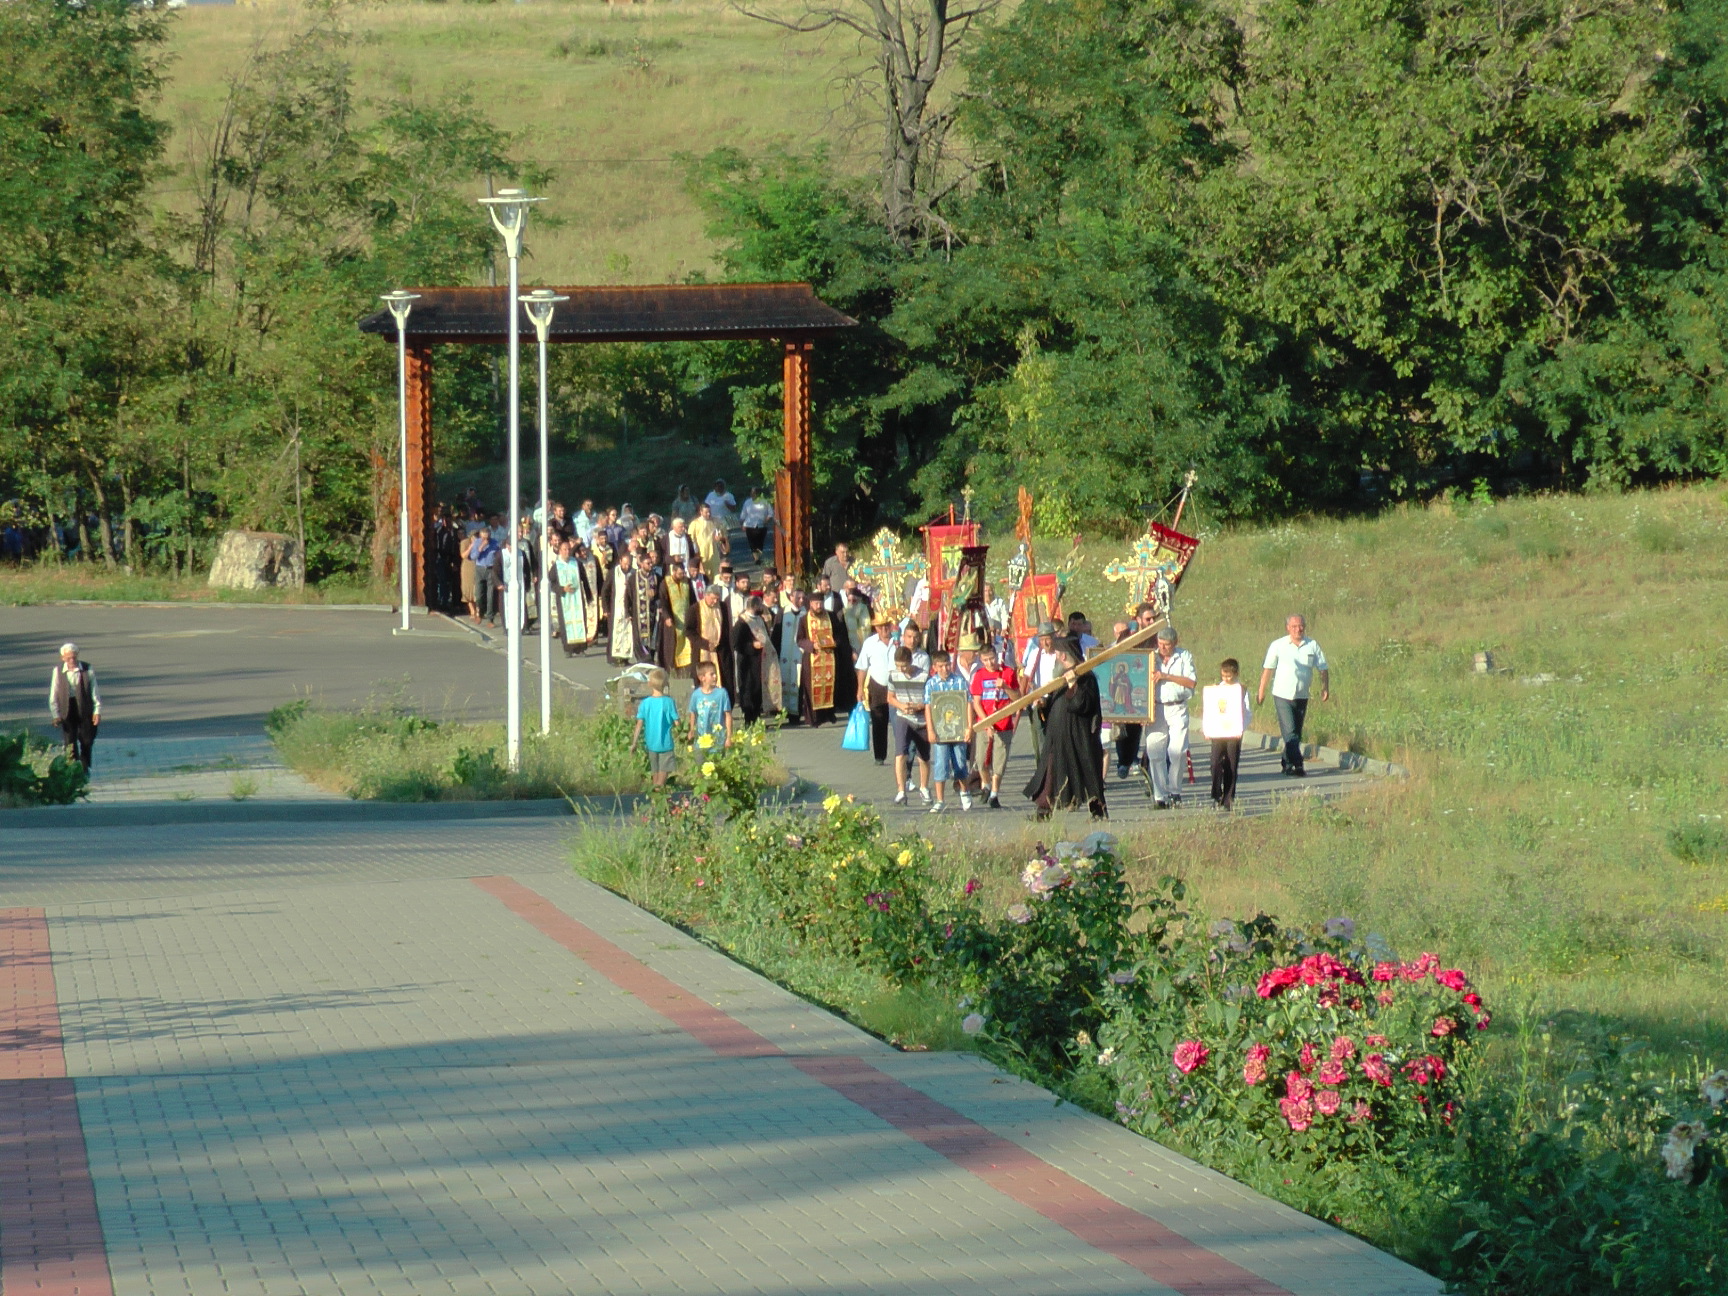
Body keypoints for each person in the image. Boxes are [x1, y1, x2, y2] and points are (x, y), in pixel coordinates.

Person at [1023, 638, 1106, 820]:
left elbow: (1082, 705)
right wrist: (1044, 704)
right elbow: (1056, 702)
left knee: (1088, 771)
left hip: (1079, 734)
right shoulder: (1060, 675)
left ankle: (1097, 812)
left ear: (1062, 656)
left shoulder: (1086, 677)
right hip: (1058, 734)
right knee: (1049, 770)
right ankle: (1043, 812)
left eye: (1057, 655)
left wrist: (1073, 684)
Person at [1258, 614, 1329, 777]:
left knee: (1295, 733)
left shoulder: (1312, 645)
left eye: (1301, 626)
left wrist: (1325, 687)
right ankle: (1297, 764)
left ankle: (1286, 762)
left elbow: (1323, 668)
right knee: (1289, 731)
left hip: (1301, 695)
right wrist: (1261, 691)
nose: (1298, 629)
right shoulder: (1278, 645)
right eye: (1294, 626)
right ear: (1288, 628)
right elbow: (1268, 669)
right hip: (1282, 695)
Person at [1145, 625, 1197, 809]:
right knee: (1155, 751)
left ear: (1175, 643)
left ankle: (1175, 791)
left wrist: (1165, 676)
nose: (1162, 648)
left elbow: (1191, 682)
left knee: (1178, 751)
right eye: (1160, 643)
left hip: (1177, 706)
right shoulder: (1150, 657)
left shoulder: (1184, 656)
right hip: (1156, 708)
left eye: (1167, 644)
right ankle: (1160, 795)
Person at [1113, 602, 1161, 777]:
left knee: (1148, 730)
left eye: (1154, 618)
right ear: (1139, 620)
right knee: (1126, 725)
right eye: (1148, 619)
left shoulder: (1158, 636)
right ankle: (1124, 761)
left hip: (1150, 685)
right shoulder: (1128, 635)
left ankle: (1145, 764)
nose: (1152, 622)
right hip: (1127, 685)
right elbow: (1118, 656)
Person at [969, 642, 1019, 810]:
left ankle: (994, 794)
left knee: (999, 762)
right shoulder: (979, 675)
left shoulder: (1007, 672)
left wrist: (1005, 686)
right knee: (981, 761)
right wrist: (987, 723)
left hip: (1004, 725)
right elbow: (976, 703)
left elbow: (1017, 698)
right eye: (985, 660)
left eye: (992, 658)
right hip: (985, 723)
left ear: (996, 656)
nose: (990, 663)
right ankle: (986, 784)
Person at [796, 585, 855, 727]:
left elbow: (840, 634)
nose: (819, 606)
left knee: (830, 686)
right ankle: (814, 718)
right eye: (816, 603)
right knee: (812, 688)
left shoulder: (831, 616)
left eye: (821, 603)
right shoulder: (804, 619)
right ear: (811, 604)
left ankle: (829, 714)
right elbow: (800, 640)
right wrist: (812, 645)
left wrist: (835, 642)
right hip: (812, 658)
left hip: (830, 658)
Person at [922, 650, 973, 813]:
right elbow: (928, 707)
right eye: (941, 666)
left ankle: (965, 792)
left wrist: (969, 727)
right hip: (940, 732)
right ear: (934, 667)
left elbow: (968, 703)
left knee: (960, 762)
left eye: (947, 665)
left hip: (958, 730)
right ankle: (940, 800)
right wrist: (930, 730)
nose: (944, 669)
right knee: (941, 764)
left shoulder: (959, 681)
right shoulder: (931, 684)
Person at [1203, 658, 1250, 811]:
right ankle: (1216, 794)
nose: (1226, 679)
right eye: (1224, 675)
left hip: (1233, 733)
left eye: (1229, 676)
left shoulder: (1241, 690)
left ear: (1236, 674)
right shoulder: (1217, 690)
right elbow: (1210, 710)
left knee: (1231, 764)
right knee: (1215, 763)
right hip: (1218, 732)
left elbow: (1247, 712)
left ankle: (1228, 798)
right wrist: (1207, 729)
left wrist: (1240, 728)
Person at [888, 646, 931, 806]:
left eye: (904, 666)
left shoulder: (924, 676)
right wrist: (901, 706)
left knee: (924, 757)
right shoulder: (893, 675)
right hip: (903, 717)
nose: (901, 669)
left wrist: (918, 706)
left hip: (921, 720)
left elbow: (930, 699)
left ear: (911, 662)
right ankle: (901, 791)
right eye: (898, 666)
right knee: (900, 754)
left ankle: (924, 788)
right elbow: (890, 697)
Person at [854, 615, 898, 767]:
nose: (884, 629)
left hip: (896, 687)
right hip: (877, 686)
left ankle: (902, 754)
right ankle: (880, 755)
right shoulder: (870, 643)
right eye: (880, 626)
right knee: (879, 721)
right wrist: (860, 689)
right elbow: (862, 667)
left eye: (886, 625)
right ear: (876, 628)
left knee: (899, 722)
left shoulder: (898, 641)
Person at [731, 597, 783, 725]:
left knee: (758, 690)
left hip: (761, 662)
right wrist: (752, 645)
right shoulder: (742, 622)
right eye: (760, 606)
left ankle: (756, 717)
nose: (762, 608)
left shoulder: (759, 619)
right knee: (748, 690)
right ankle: (749, 720)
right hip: (748, 663)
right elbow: (736, 643)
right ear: (754, 606)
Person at [49, 642, 100, 769]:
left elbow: (94, 691)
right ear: (63, 658)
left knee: (87, 740)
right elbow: (54, 693)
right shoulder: (58, 671)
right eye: (68, 658)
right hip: (67, 708)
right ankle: (73, 767)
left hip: (85, 707)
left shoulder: (87, 669)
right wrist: (56, 714)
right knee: (69, 742)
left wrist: (97, 711)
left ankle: (85, 766)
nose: (72, 660)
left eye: (74, 657)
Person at [632, 667, 680, 789]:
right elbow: (677, 723)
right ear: (666, 683)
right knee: (662, 777)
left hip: (651, 744)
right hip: (666, 744)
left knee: (655, 773)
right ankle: (658, 793)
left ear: (649, 684)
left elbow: (639, 724)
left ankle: (654, 795)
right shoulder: (669, 702)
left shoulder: (645, 703)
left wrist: (634, 743)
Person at [686, 582, 734, 696]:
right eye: (713, 599)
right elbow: (689, 631)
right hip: (702, 651)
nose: (715, 601)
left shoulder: (723, 607)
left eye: (717, 599)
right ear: (706, 596)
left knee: (724, 679)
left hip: (720, 651)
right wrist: (704, 644)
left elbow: (726, 627)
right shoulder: (695, 609)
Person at [656, 559, 696, 677]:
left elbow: (692, 600)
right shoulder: (665, 583)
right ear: (673, 572)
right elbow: (663, 602)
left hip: (686, 619)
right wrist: (667, 617)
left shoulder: (687, 582)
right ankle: (672, 668)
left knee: (687, 644)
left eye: (683, 573)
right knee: (671, 644)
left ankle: (686, 668)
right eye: (679, 573)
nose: (682, 575)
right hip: (672, 620)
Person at [776, 588, 806, 725]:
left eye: (803, 598)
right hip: (784, 654)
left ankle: (795, 714)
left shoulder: (806, 613)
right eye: (798, 598)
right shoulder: (783, 612)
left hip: (799, 655)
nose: (801, 600)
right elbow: (776, 633)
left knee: (797, 681)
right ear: (791, 597)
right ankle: (782, 713)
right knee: (783, 681)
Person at [688, 661, 734, 749]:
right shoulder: (696, 695)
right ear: (702, 678)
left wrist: (729, 737)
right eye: (712, 674)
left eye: (715, 674)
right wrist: (691, 729)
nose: (715, 676)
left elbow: (728, 715)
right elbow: (692, 712)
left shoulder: (722, 693)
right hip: (701, 740)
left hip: (718, 740)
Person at [468, 525, 501, 626]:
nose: (485, 540)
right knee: (479, 594)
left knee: (490, 595)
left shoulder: (495, 543)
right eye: (483, 538)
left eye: (487, 538)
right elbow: (473, 556)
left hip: (490, 569)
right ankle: (480, 613)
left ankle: (490, 619)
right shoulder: (476, 542)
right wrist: (481, 548)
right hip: (480, 568)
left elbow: (499, 556)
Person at [689, 502, 725, 580]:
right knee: (705, 575)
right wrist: (696, 554)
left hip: (714, 553)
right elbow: (691, 540)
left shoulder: (715, 521)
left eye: (709, 512)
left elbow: (722, 532)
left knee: (717, 574)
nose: (708, 514)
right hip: (702, 554)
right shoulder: (694, 523)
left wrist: (720, 537)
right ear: (701, 512)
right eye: (706, 512)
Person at [739, 490, 773, 565]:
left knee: (760, 543)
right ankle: (756, 558)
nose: (753, 495)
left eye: (755, 493)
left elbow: (770, 513)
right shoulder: (747, 502)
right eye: (752, 493)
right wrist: (742, 524)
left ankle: (758, 556)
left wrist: (766, 520)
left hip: (761, 525)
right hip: (749, 525)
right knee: (752, 543)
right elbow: (743, 514)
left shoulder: (765, 502)